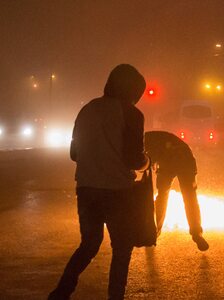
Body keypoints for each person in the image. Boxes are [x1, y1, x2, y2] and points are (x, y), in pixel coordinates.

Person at [48, 64, 149, 300]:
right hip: (118, 192)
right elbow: (134, 159)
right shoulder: (132, 114)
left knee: (89, 244)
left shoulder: (87, 109)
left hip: (86, 189)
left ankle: (61, 293)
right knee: (122, 249)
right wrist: (147, 162)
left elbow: (74, 153)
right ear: (133, 90)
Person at [144, 131, 209, 251]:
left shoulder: (141, 140)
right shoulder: (146, 138)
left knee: (165, 196)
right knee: (189, 197)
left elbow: (143, 161)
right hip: (175, 160)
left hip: (180, 159)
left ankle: (154, 233)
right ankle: (196, 234)